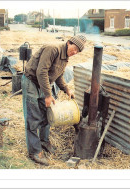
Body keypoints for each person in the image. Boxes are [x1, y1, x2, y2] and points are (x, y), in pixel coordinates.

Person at [22, 35, 86, 166]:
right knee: (33, 118)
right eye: (74, 49)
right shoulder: (53, 49)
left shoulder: (65, 57)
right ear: (69, 43)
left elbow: (58, 76)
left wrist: (66, 89)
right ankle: (34, 152)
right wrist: (47, 95)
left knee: (48, 114)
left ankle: (44, 141)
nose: (74, 53)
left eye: (77, 52)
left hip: (44, 84)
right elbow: (41, 72)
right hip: (32, 81)